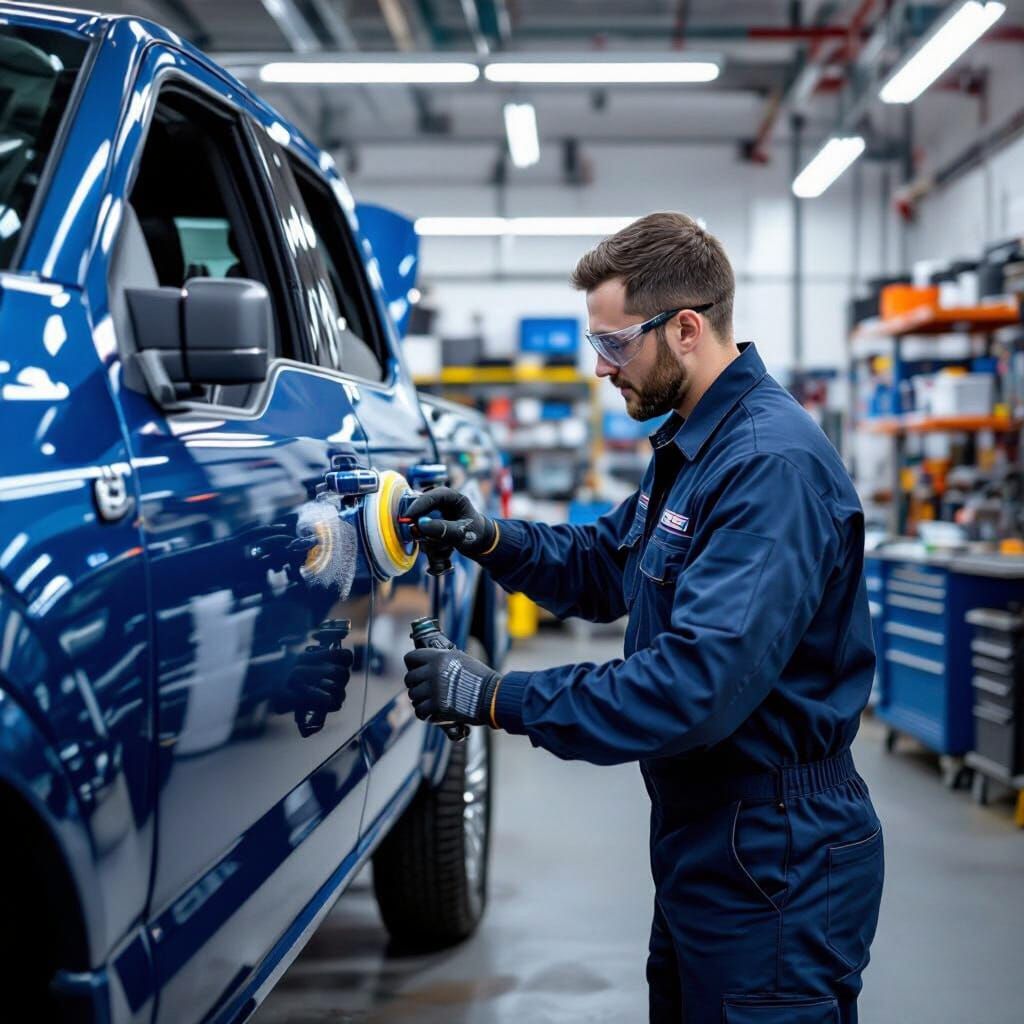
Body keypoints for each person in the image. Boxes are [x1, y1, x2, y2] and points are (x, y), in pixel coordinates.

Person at [403, 212, 883, 1024]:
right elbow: (607, 564)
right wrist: (491, 537)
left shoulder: (767, 465)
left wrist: (495, 698)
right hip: (712, 837)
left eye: (616, 345)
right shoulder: (698, 447)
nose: (600, 367)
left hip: (776, 853)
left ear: (686, 328)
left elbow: (691, 687)